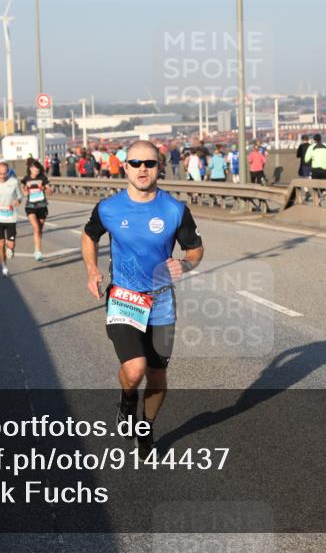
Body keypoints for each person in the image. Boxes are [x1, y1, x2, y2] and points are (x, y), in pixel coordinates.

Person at [81, 140, 204, 459]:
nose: (142, 169)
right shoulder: (109, 207)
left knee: (157, 374)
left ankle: (146, 428)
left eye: (149, 163)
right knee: (134, 370)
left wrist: (185, 263)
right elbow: (89, 235)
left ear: (159, 166)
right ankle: (126, 400)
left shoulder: (175, 210)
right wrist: (92, 269)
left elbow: (195, 250)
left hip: (162, 302)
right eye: (135, 163)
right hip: (124, 297)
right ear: (125, 167)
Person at [21, 158, 52, 261]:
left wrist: (45, 189)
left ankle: (36, 247)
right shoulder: (26, 179)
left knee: (40, 229)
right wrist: (25, 192)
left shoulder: (43, 178)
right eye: (35, 168)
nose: (36, 170)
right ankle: (38, 252)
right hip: (30, 206)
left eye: (38, 168)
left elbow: (50, 191)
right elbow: (22, 187)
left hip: (42, 206)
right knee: (36, 228)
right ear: (30, 169)